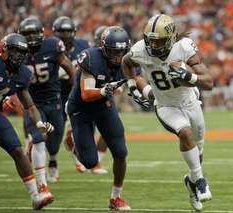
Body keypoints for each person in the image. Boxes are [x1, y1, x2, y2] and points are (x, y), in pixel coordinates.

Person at [122, 14, 213, 211]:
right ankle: (199, 180)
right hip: (165, 105)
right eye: (150, 40)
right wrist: (132, 86)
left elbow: (209, 82)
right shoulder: (140, 50)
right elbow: (126, 62)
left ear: (171, 38)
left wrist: (189, 76)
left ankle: (191, 180)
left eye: (159, 41)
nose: (153, 45)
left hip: (190, 101)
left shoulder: (184, 47)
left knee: (198, 151)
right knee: (185, 133)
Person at [66, 26, 147, 210]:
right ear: (103, 48)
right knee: (89, 162)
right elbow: (86, 94)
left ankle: (115, 198)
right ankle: (73, 140)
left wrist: (146, 92)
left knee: (120, 151)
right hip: (81, 108)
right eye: (114, 51)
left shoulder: (129, 60)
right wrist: (103, 90)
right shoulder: (91, 58)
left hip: (104, 106)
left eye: (122, 51)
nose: (119, 55)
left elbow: (139, 78)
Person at [0, 33, 55, 210]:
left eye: (22, 52)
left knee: (16, 147)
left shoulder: (23, 75)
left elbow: (29, 106)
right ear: (4, 50)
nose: (18, 56)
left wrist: (39, 124)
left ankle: (35, 196)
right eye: (14, 51)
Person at [18, 17, 75, 184]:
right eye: (27, 34)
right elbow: (8, 76)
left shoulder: (52, 46)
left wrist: (75, 94)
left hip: (53, 99)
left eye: (34, 33)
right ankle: (42, 185)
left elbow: (71, 71)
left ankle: (53, 161)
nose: (31, 37)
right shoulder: (18, 51)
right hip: (31, 102)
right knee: (38, 139)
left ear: (41, 34)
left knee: (55, 140)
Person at [53, 17, 108, 174]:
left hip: (78, 91)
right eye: (62, 31)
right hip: (58, 92)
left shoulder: (84, 45)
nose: (65, 34)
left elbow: (93, 65)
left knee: (89, 125)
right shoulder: (51, 47)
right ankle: (53, 160)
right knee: (58, 128)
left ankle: (81, 158)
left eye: (68, 31)